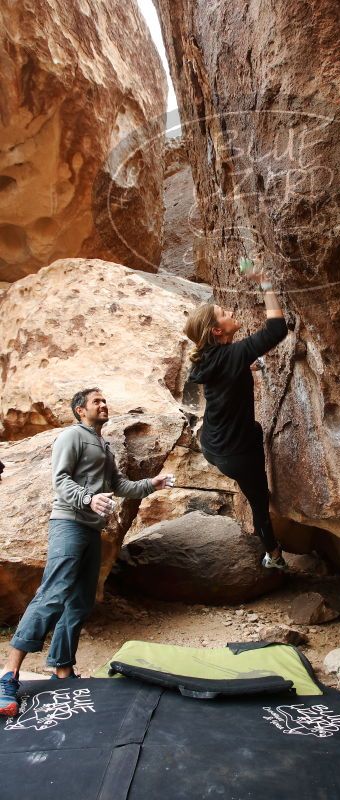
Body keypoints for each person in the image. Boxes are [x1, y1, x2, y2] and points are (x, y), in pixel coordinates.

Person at [0, 388, 173, 717]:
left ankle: (63, 669)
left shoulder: (103, 445)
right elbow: (60, 479)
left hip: (90, 531)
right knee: (54, 593)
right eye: (97, 401)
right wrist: (87, 499)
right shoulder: (72, 437)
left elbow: (120, 485)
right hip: (68, 524)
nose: (104, 404)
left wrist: (154, 483)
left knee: (80, 600)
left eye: (105, 400)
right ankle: (9, 674)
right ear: (81, 410)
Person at [185, 262, 288, 571]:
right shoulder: (234, 354)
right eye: (223, 313)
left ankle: (255, 488)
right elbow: (276, 329)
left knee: (255, 432)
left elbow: (225, 373)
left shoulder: (209, 359)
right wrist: (266, 282)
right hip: (235, 454)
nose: (229, 311)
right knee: (260, 502)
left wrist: (245, 366)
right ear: (218, 330)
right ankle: (275, 556)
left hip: (212, 447)